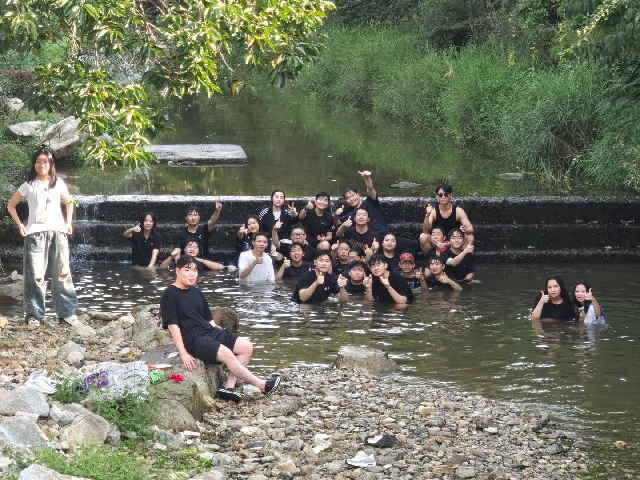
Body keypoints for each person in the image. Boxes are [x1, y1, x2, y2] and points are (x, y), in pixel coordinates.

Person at [160, 255, 283, 403]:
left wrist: (221, 334)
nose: (192, 274)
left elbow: (209, 321)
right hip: (192, 338)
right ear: (177, 271)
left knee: (246, 346)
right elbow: (172, 325)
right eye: (187, 270)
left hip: (209, 331)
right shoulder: (170, 293)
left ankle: (228, 387)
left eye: (195, 270)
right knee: (227, 353)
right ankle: (261, 385)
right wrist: (183, 352)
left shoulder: (197, 292)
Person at [6, 147, 79, 326]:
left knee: (62, 273)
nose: (42, 165)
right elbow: (11, 205)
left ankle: (67, 313)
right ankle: (34, 315)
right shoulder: (29, 185)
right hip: (35, 234)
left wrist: (68, 222)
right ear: (34, 164)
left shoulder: (58, 183)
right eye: (38, 161)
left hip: (58, 232)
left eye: (45, 161)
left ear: (51, 163)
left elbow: (69, 202)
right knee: (35, 276)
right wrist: (20, 225)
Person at [336, 171, 420, 256]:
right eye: (348, 198)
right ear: (346, 201)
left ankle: (402, 260)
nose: (351, 199)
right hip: (371, 242)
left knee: (414, 244)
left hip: (386, 237)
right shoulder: (352, 215)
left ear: (358, 195)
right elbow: (336, 222)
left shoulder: (370, 201)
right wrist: (336, 214)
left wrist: (367, 178)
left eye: (353, 195)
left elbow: (370, 188)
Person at [420, 184, 474, 253]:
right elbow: (425, 231)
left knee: (470, 237)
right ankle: (431, 258)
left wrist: (465, 230)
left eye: (446, 194)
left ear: (450, 195)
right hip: (438, 241)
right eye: (440, 195)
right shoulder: (434, 212)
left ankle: (460, 258)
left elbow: (471, 229)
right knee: (423, 237)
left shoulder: (458, 211)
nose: (443, 197)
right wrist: (427, 215)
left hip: (454, 240)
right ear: (437, 196)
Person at [159, 240, 226, 271]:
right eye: (189, 247)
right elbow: (162, 268)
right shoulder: (180, 262)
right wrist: (171, 257)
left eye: (195, 247)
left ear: (198, 251)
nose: (192, 249)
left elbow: (221, 267)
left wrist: (201, 260)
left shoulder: (203, 262)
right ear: (184, 250)